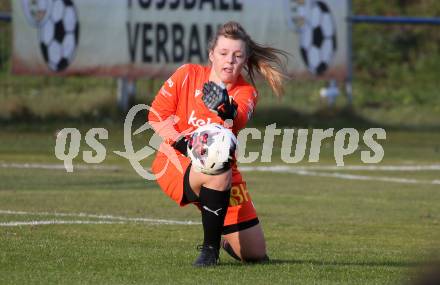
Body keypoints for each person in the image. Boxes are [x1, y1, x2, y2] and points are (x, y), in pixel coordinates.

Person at [148, 21, 288, 267]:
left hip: (222, 174)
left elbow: (240, 116)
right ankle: (209, 251)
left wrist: (227, 109)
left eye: (237, 56)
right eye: (223, 53)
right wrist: (183, 144)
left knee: (255, 254)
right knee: (218, 163)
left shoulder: (246, 92)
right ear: (211, 54)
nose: (230, 60)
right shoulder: (187, 74)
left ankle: (224, 237)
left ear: (245, 60)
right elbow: (157, 115)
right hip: (176, 162)